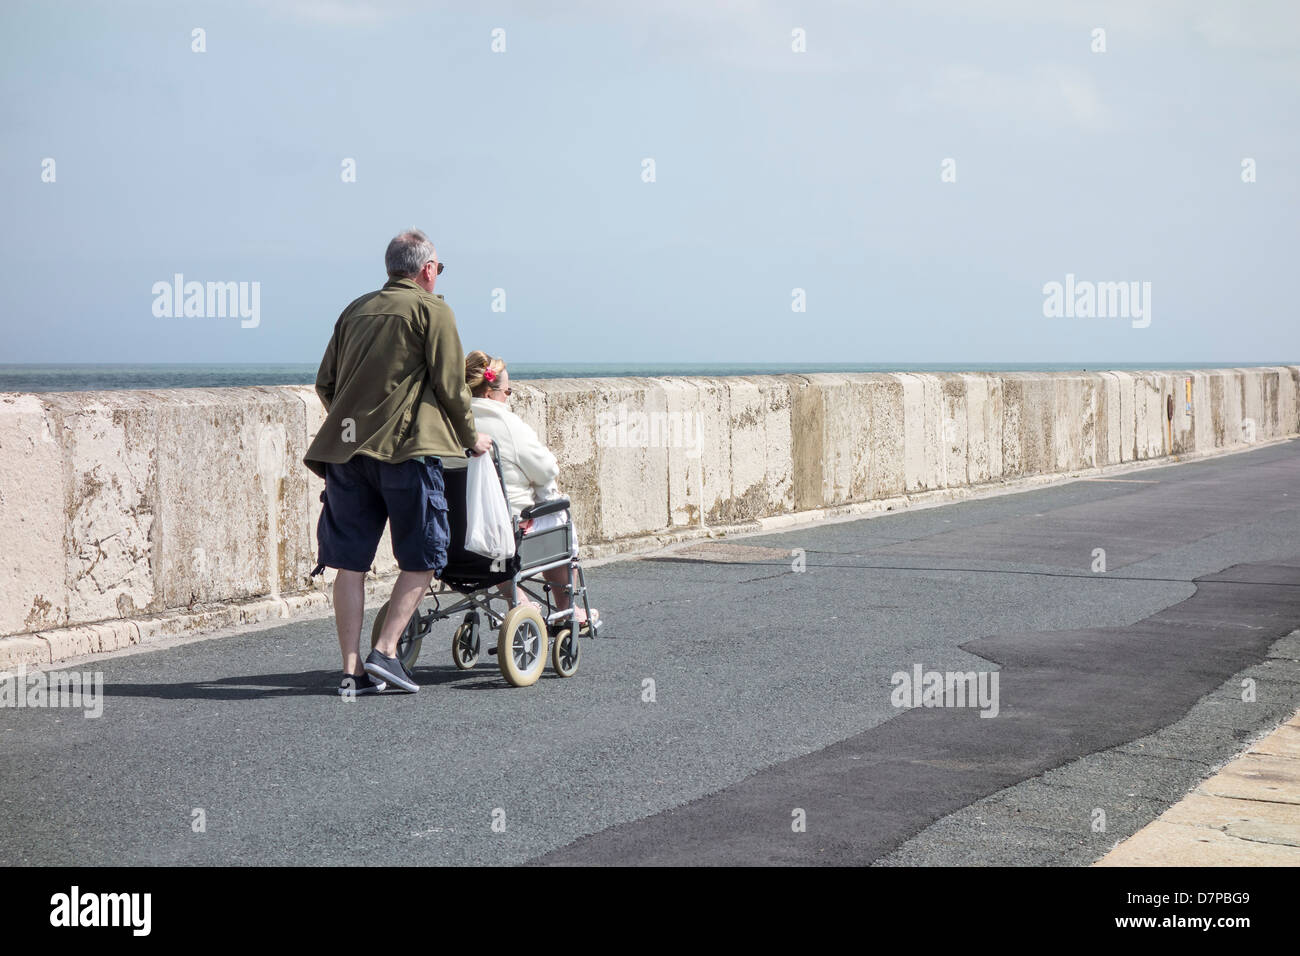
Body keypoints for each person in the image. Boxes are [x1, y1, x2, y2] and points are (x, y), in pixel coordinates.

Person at [305, 229, 493, 696]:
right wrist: (472, 440)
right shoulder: (433, 310)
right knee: (427, 554)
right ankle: (386, 651)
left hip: (346, 457)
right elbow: (452, 388)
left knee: (350, 564)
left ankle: (352, 672)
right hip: (406, 454)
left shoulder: (355, 310)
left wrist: (355, 424)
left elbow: (325, 384)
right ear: (427, 269)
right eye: (438, 268)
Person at [465, 351, 599, 630]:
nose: (508, 397)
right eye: (507, 391)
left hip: (456, 534)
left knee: (492, 536)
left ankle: (521, 603)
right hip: (505, 533)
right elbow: (547, 469)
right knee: (558, 517)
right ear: (490, 394)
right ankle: (565, 609)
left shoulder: (447, 424)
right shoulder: (508, 425)